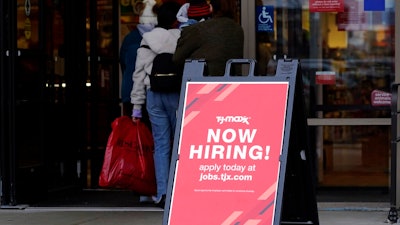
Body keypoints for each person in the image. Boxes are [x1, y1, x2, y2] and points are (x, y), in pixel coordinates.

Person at [130, 0, 182, 208]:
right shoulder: (181, 38)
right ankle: (181, 190)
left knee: (161, 146)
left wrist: (136, 106)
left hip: (154, 95)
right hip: (177, 94)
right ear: (175, 20)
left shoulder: (146, 40)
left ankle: (163, 194)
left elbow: (138, 75)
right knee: (180, 144)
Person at [173, 0, 244, 76]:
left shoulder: (198, 29)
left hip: (203, 82)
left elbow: (177, 58)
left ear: (211, 7)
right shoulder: (238, 29)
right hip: (233, 82)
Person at [120, 0, 159, 118]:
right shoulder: (161, 38)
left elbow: (124, 65)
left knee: (135, 133)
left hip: (131, 94)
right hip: (151, 94)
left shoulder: (130, 39)